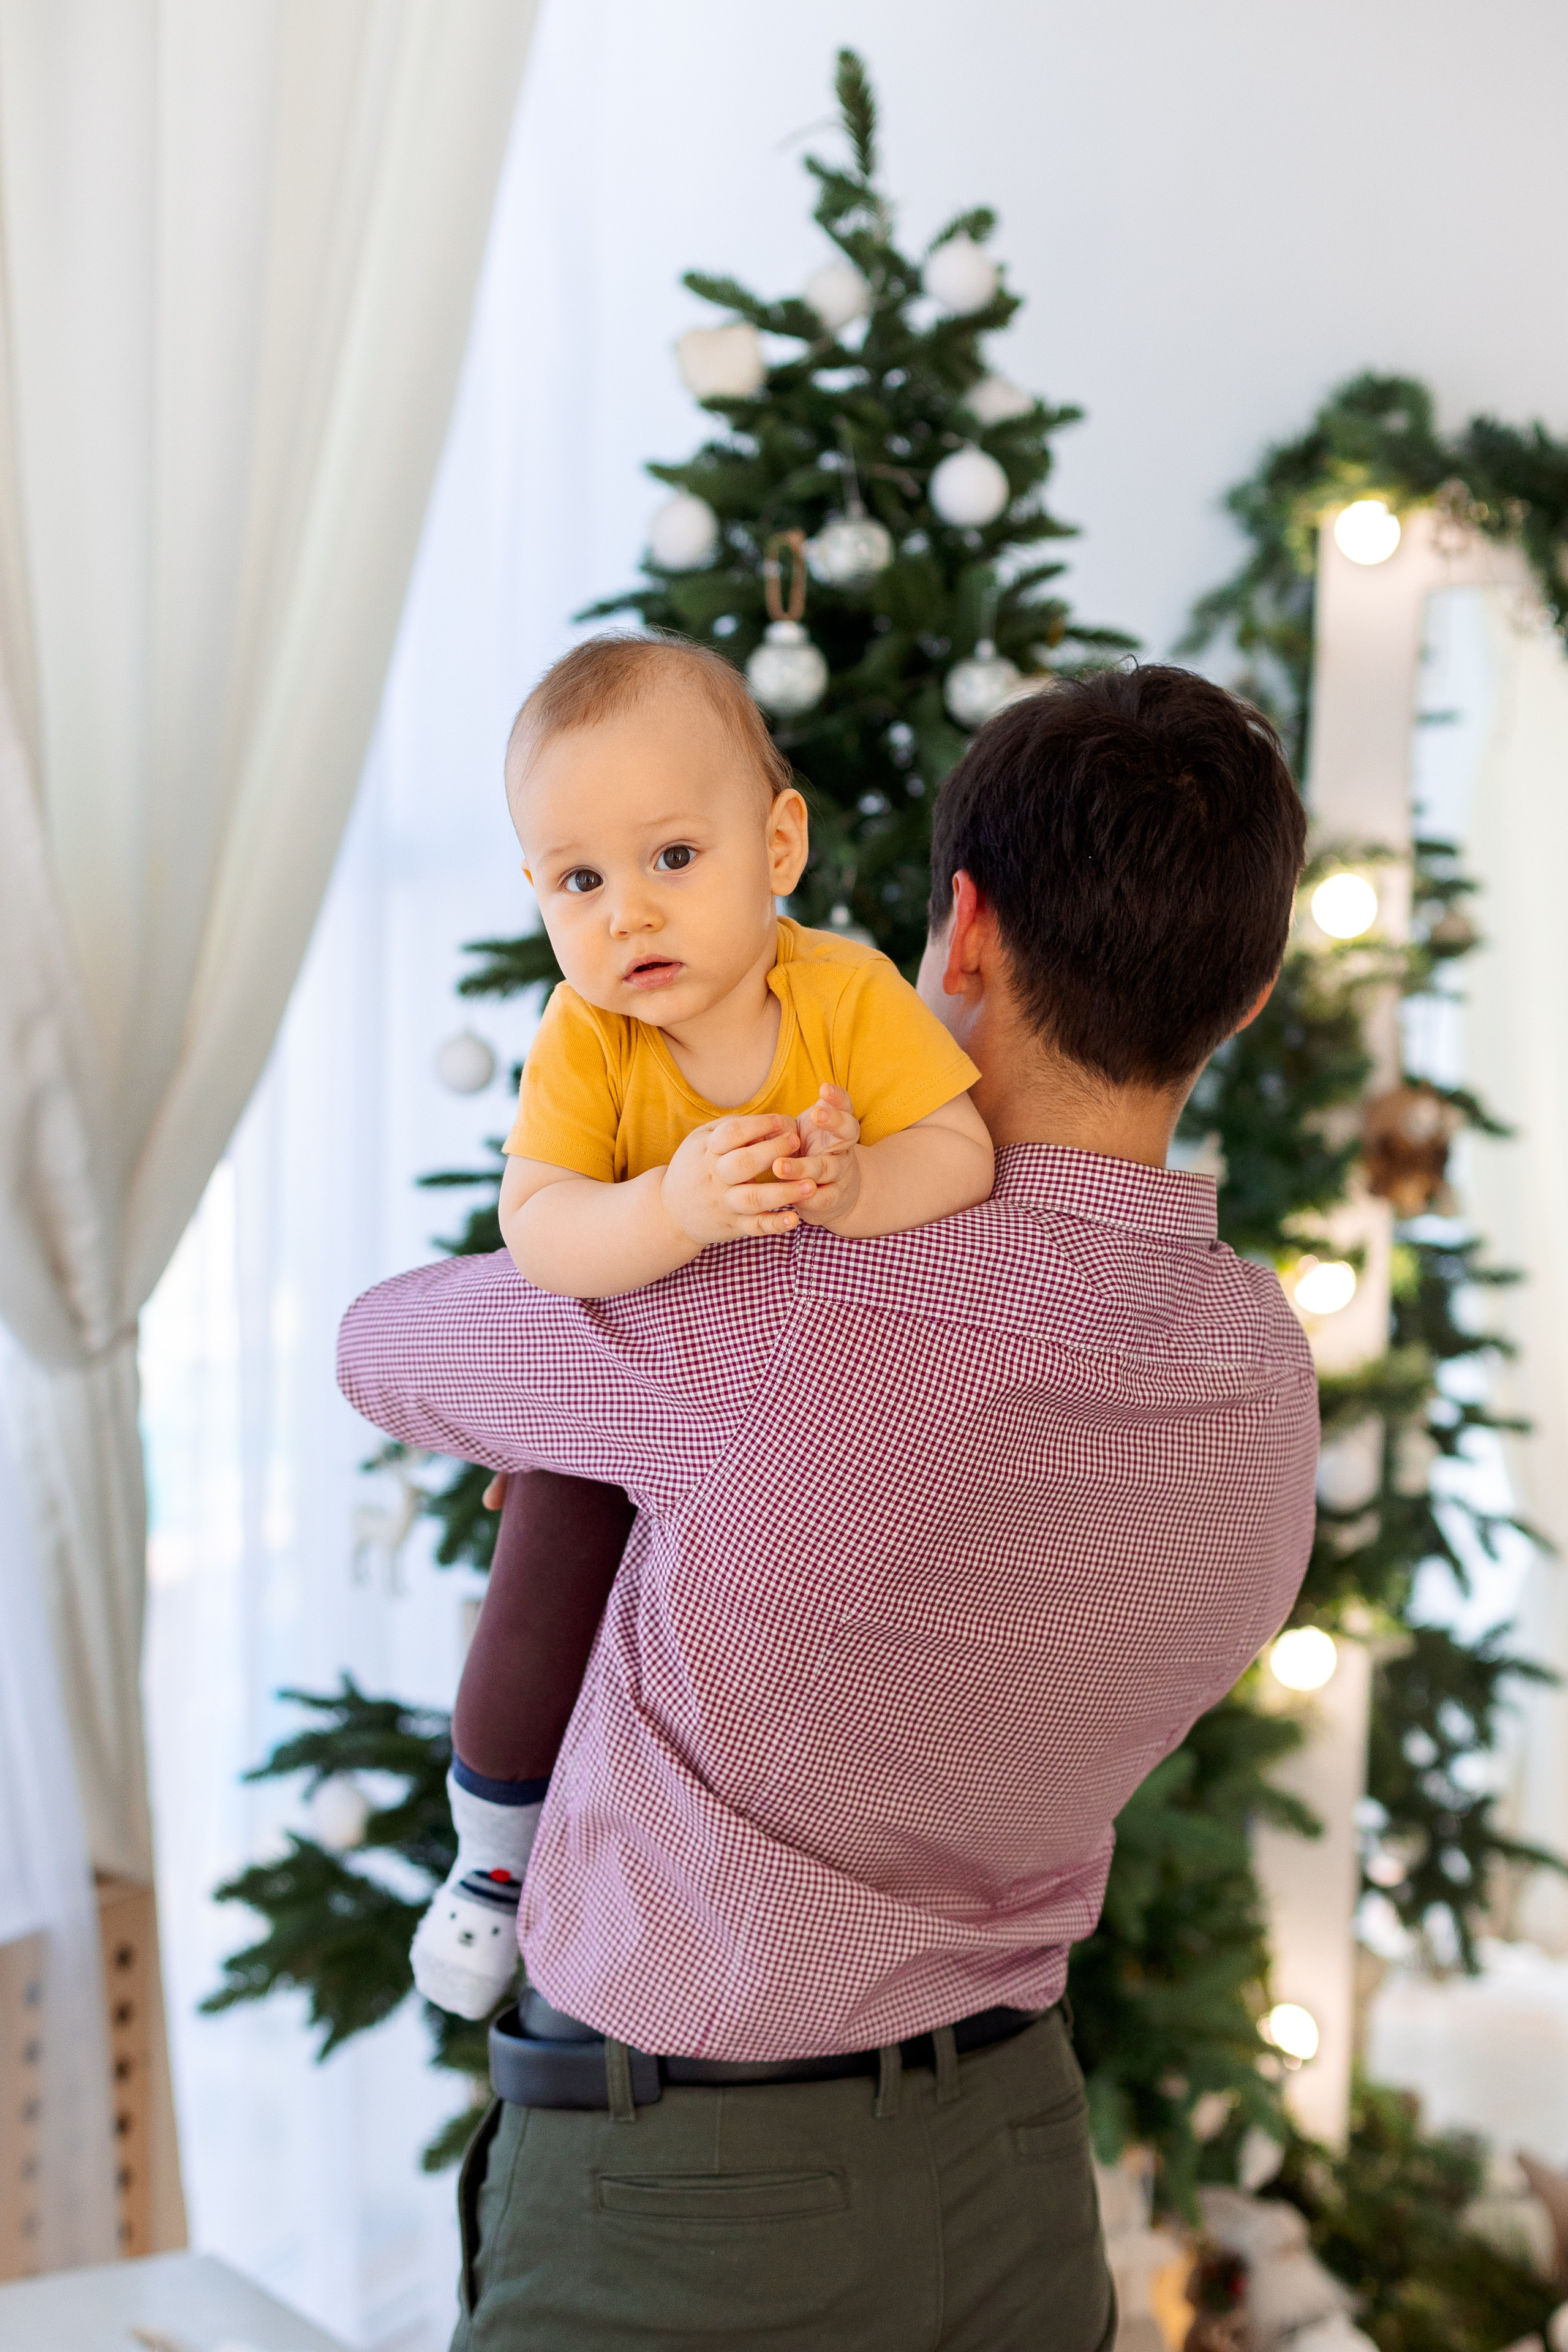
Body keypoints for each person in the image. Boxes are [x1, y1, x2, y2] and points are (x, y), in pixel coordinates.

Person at [337, 663, 1318, 2351]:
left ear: (968, 937)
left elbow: (386, 1350)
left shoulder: (774, 1298)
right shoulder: (1262, 1378)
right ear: (1250, 993)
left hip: (690, 2206)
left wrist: (632, 1404)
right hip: (1018, 2177)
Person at [410, 634, 994, 2016]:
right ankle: (495, 1849)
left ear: (776, 842)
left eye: (673, 857)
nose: (629, 915)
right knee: (541, 1576)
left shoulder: (845, 997)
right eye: (580, 880)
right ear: (539, 895)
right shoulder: (588, 1038)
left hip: (796, 1424)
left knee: (773, 1631)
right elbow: (539, 1224)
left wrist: (858, 1184)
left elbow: (961, 1152)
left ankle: (756, 1870)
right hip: (619, 1407)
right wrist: (669, 1209)